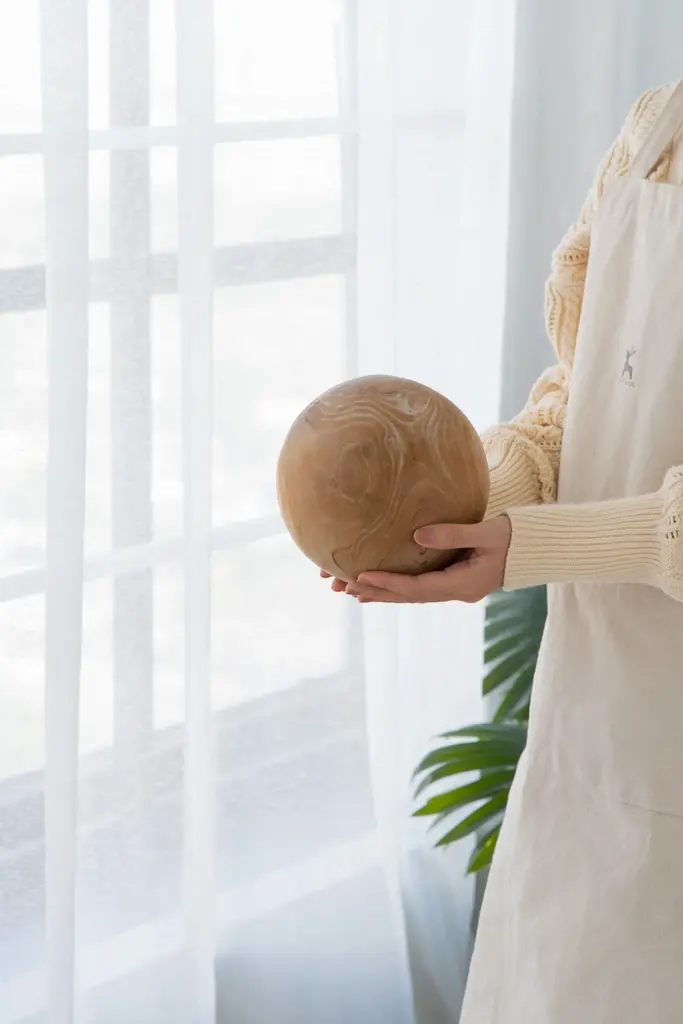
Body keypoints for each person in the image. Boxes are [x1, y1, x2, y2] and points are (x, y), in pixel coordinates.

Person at [324, 80, 683, 1021]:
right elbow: (581, 394)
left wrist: (525, 546)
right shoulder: (656, 126)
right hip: (586, 744)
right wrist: (452, 505)